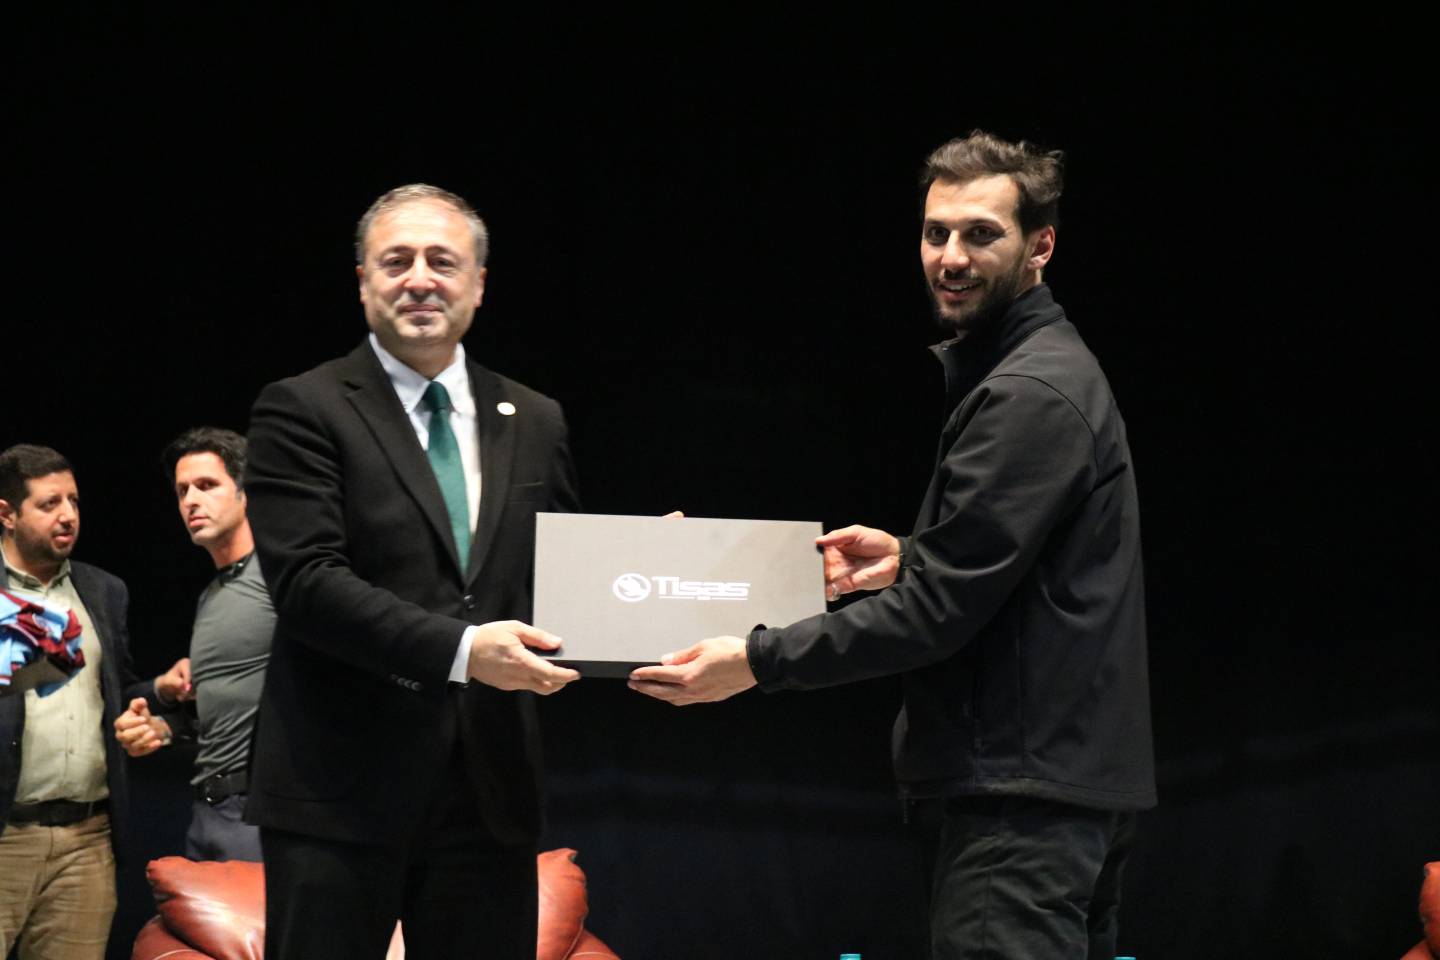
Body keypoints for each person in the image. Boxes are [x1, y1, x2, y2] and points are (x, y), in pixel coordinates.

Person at [629, 131, 1156, 959]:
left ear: (1041, 246)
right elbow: (1012, 572)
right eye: (935, 232)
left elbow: (939, 612)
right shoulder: (1034, 372)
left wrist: (757, 660)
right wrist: (914, 557)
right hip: (1048, 790)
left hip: (1018, 799)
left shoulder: (1029, 391)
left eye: (981, 234)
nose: (951, 257)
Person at [242, 184, 581, 960]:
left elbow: (549, 576)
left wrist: (632, 574)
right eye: (396, 261)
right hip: (337, 793)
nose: (420, 279)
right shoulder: (301, 407)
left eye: (442, 261)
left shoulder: (536, 417)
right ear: (363, 280)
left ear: (479, 283)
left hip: (490, 791)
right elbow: (307, 584)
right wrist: (462, 652)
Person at [0, 444, 192, 960]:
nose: (68, 515)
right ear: (7, 514)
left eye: (74, 501)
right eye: (49, 503)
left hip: (86, 841)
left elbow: (115, 694)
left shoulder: (103, 590)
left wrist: (158, 691)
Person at [113, 427, 273, 862]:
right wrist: (166, 729)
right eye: (183, 490)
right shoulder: (212, 596)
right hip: (208, 810)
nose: (191, 501)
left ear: (245, 492)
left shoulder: (282, 577)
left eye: (207, 485)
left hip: (264, 813)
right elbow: (229, 711)